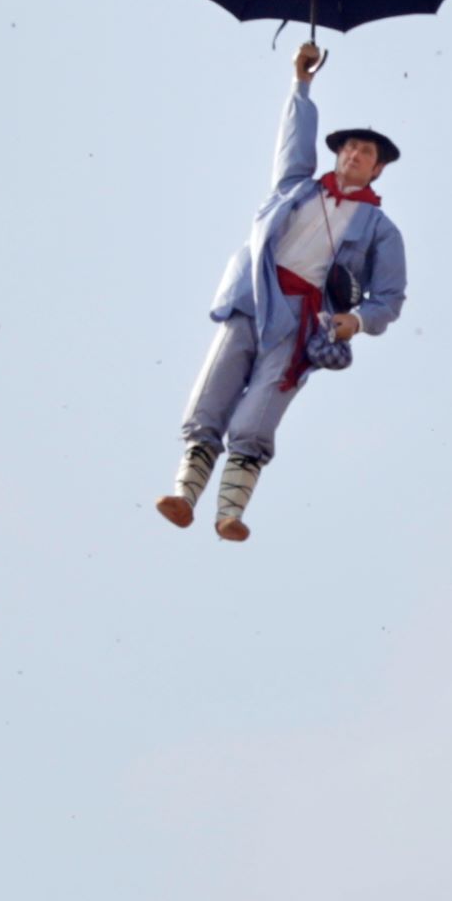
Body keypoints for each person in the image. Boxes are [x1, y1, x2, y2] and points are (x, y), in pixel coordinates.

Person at [158, 39, 405, 539]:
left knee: (258, 412)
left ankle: (230, 512)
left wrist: (354, 321)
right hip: (254, 297)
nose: (355, 154)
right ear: (337, 154)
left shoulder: (381, 229)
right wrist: (302, 80)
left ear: (378, 169)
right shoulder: (296, 188)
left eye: (366, 153)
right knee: (212, 394)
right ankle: (185, 495)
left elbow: (390, 297)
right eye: (349, 147)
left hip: (301, 320)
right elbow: (293, 139)